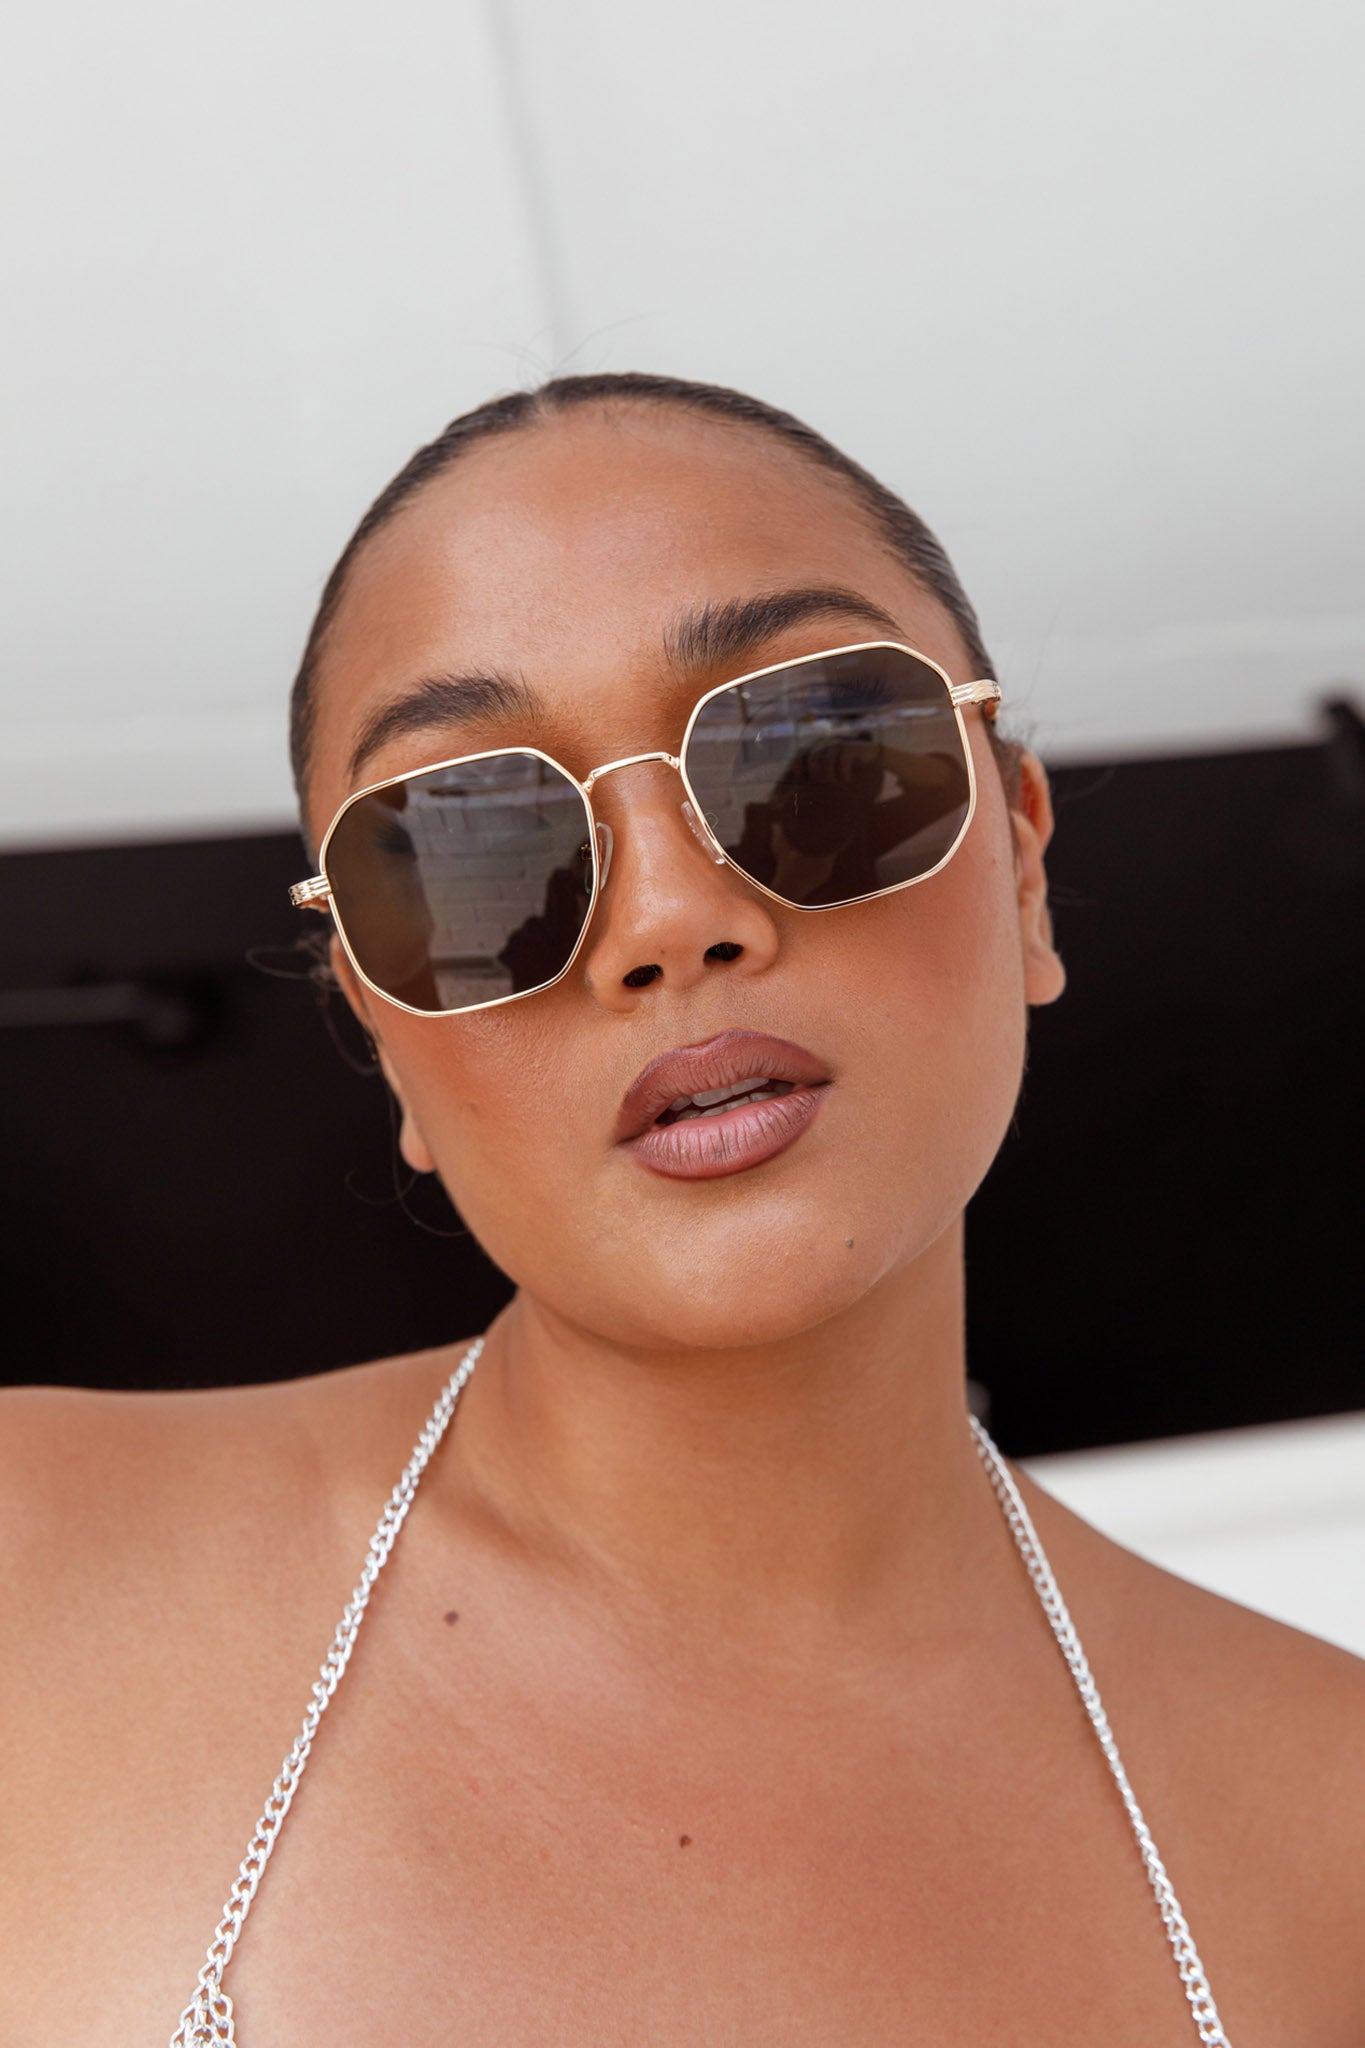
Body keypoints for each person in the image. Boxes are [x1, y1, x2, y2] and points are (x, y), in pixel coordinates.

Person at [3, 372, 1361, 2048]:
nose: (669, 918)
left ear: (1019, 863)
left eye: (811, 749)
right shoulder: (28, 1572)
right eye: (472, 844)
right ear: (378, 1028)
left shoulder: (1332, 1835)